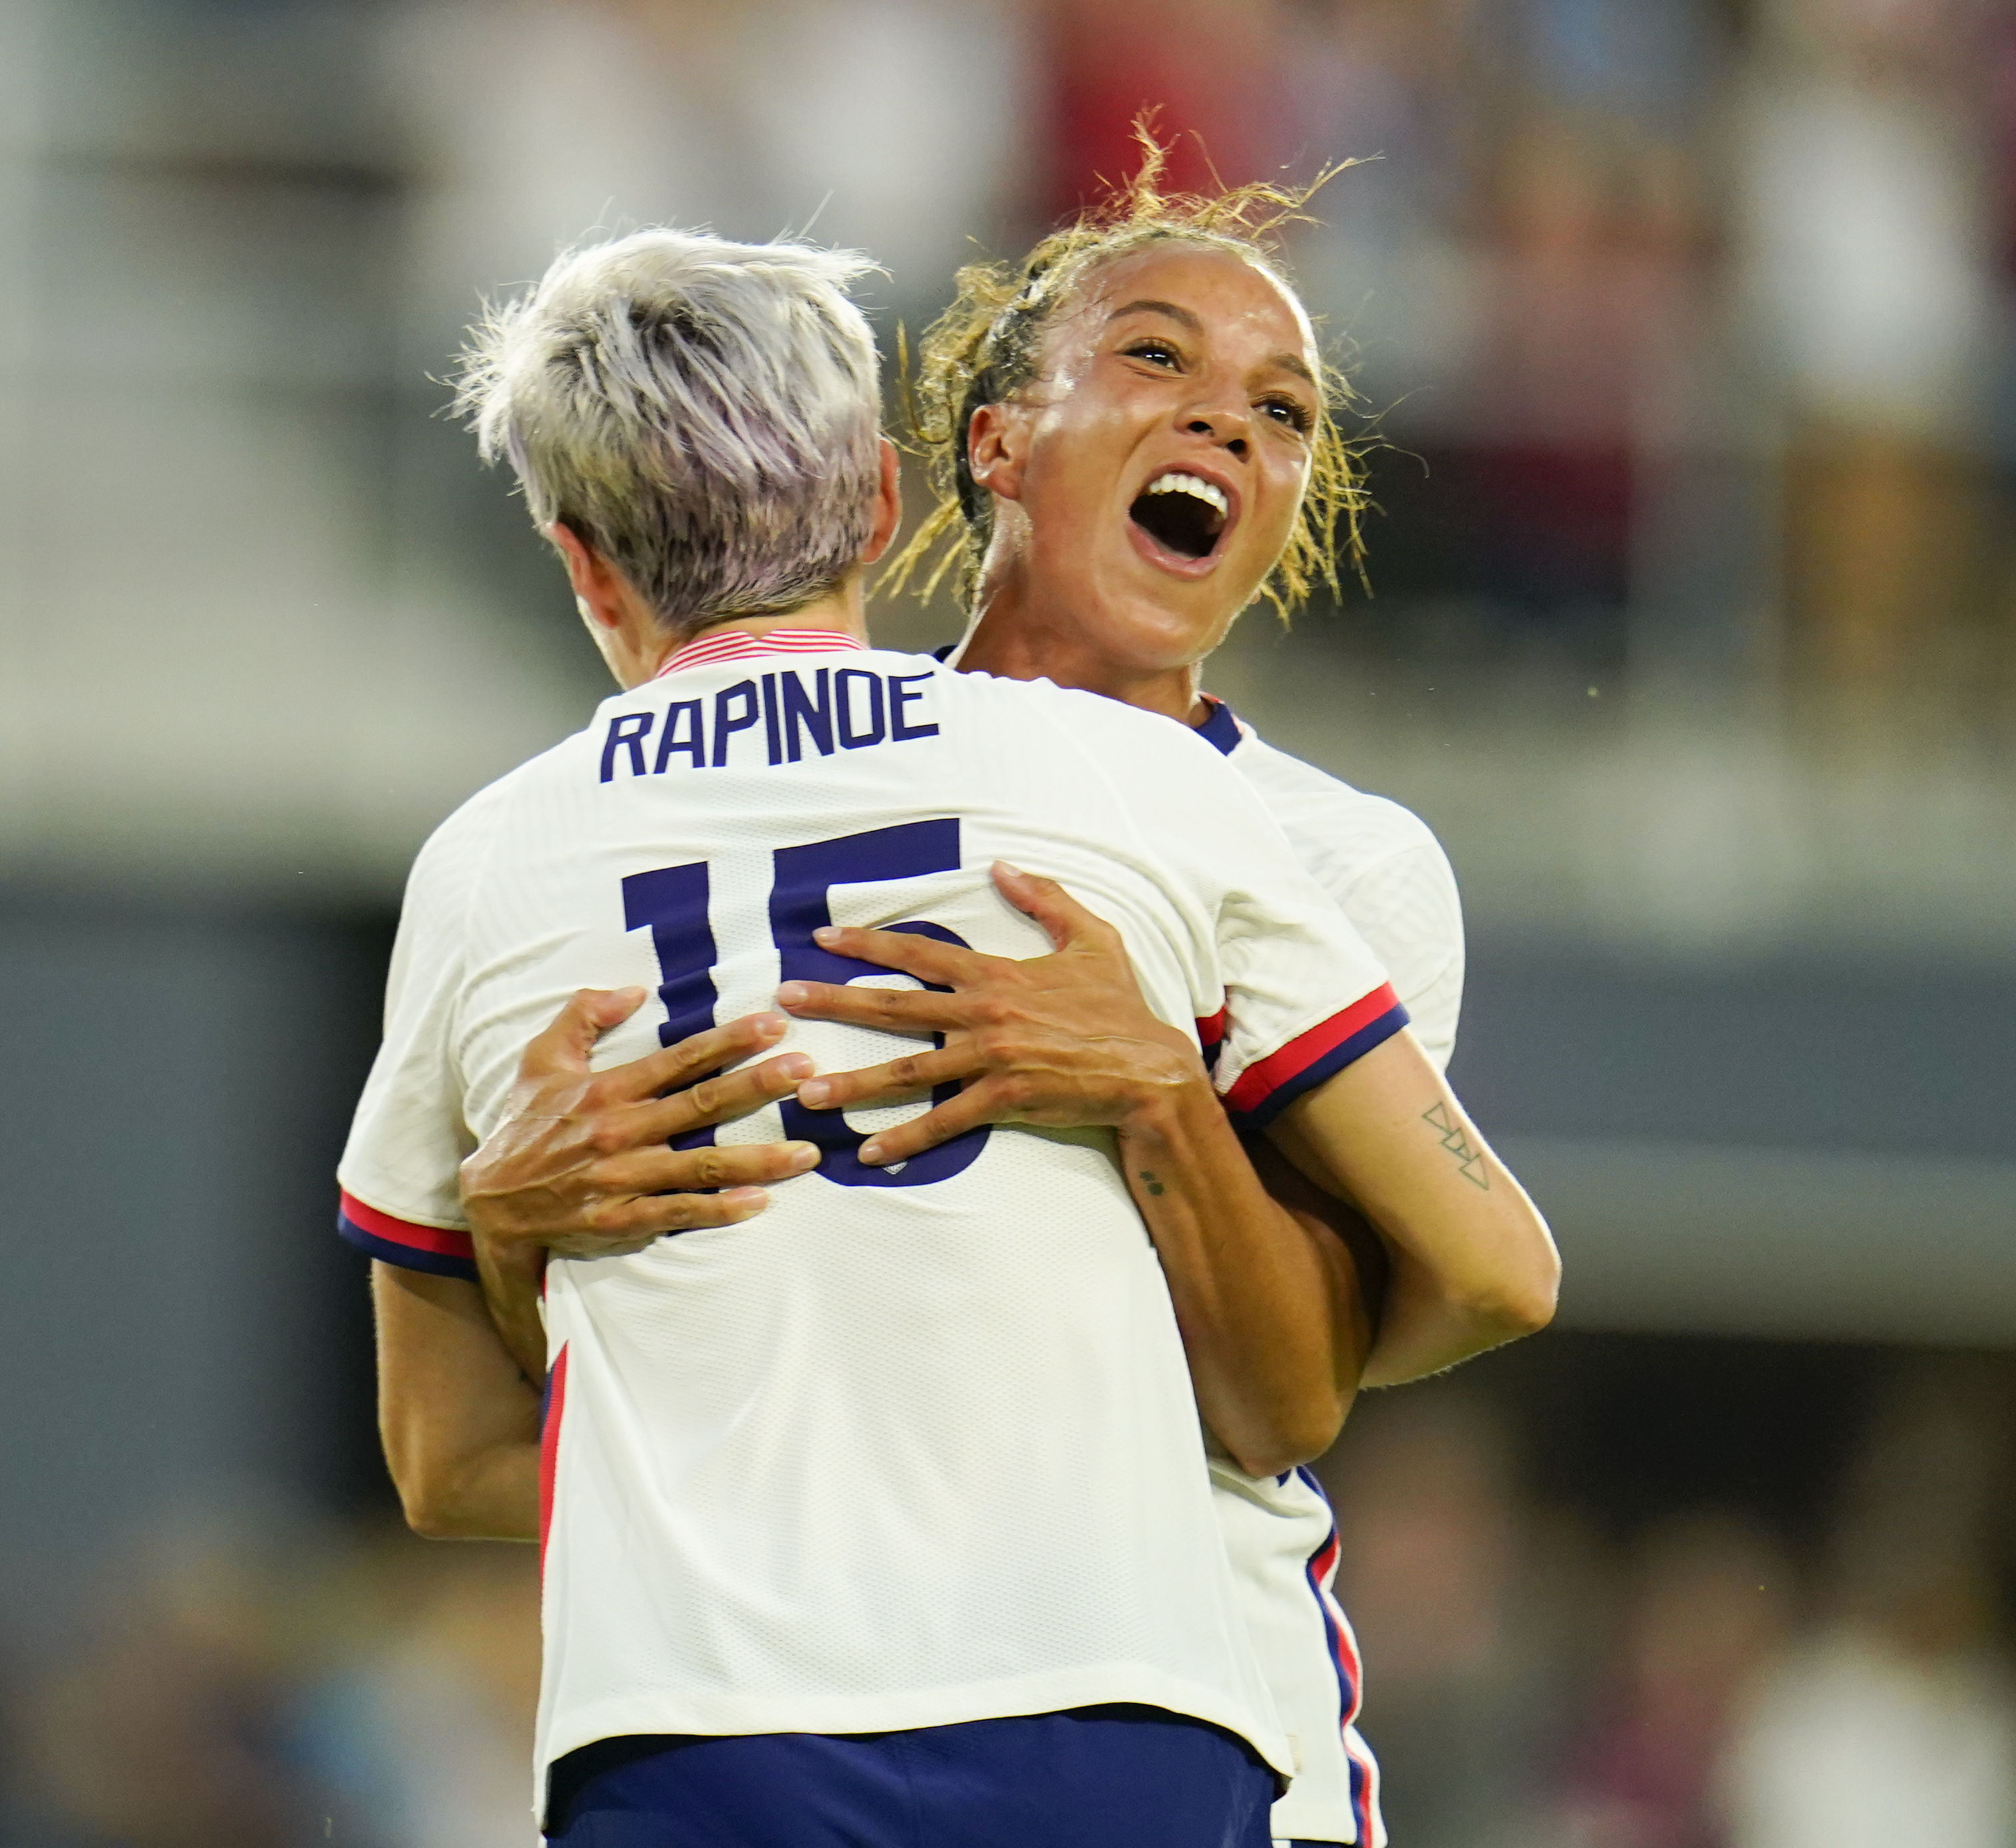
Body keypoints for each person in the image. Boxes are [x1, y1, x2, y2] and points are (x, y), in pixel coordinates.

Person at [339, 227, 1556, 1848]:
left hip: (1205, 1682)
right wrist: (515, 1237)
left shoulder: (1338, 858)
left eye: (1282, 413)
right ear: (965, 453)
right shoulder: (916, 788)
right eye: (1153, 359)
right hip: (1034, 1736)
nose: (1222, 429)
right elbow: (693, 1375)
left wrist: (1156, 1096)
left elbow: (1282, 1395)